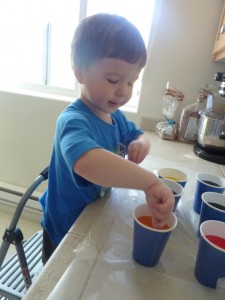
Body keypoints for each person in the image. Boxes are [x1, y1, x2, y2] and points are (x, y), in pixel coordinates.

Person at [39, 13, 174, 264]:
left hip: (95, 216)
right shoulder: (73, 120)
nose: (123, 91)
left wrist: (140, 143)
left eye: (131, 82)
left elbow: (140, 134)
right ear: (80, 73)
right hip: (66, 228)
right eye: (113, 80)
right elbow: (88, 163)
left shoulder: (116, 117)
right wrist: (149, 183)